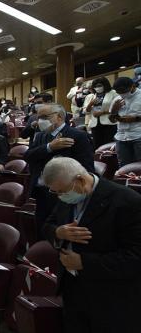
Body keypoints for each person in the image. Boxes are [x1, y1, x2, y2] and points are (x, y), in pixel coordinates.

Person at [41, 157, 141, 333]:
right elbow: (48, 225)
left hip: (110, 298)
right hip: (72, 289)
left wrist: (84, 262)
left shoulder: (127, 201)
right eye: (56, 192)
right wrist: (58, 232)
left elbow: (135, 257)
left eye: (62, 191)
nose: (60, 196)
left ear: (79, 180)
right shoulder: (66, 194)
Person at [24, 103, 95, 238]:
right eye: (38, 117)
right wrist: (49, 147)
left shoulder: (77, 136)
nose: (40, 121)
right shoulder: (40, 136)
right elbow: (28, 156)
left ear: (60, 117)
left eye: (45, 117)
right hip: (42, 191)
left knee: (60, 232)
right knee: (42, 230)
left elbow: (87, 168)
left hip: (64, 194)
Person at [110, 77, 141, 166]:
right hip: (121, 137)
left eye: (123, 91)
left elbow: (130, 119)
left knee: (139, 166)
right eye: (118, 92)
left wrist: (135, 119)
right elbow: (112, 120)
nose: (122, 93)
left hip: (138, 135)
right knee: (124, 166)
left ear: (132, 86)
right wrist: (114, 111)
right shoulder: (117, 99)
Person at [83, 77, 119, 149]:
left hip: (109, 124)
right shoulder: (90, 96)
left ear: (105, 85)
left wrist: (103, 112)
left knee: (109, 146)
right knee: (97, 147)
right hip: (95, 125)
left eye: (99, 85)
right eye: (95, 86)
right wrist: (90, 104)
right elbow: (85, 112)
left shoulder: (113, 93)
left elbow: (118, 107)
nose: (97, 88)